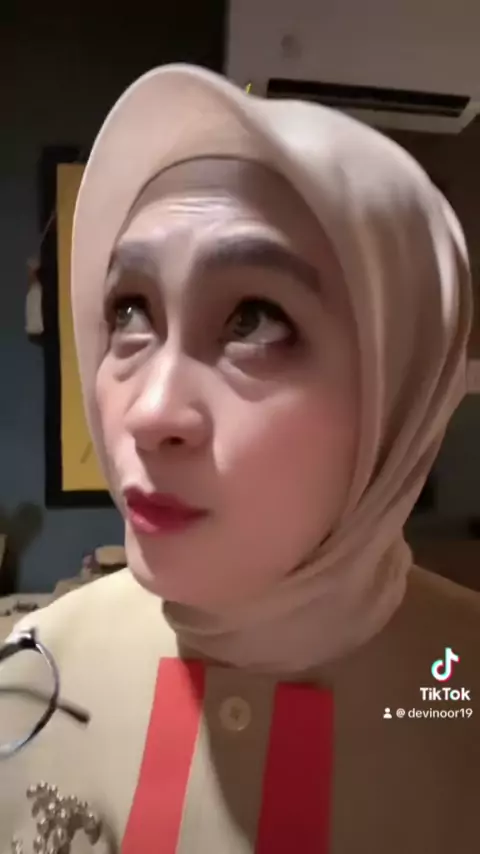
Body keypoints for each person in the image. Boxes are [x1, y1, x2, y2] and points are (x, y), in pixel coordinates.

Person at [1, 64, 479, 854]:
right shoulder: (32, 674)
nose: (149, 412)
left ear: (400, 387)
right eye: (130, 311)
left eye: (254, 319)